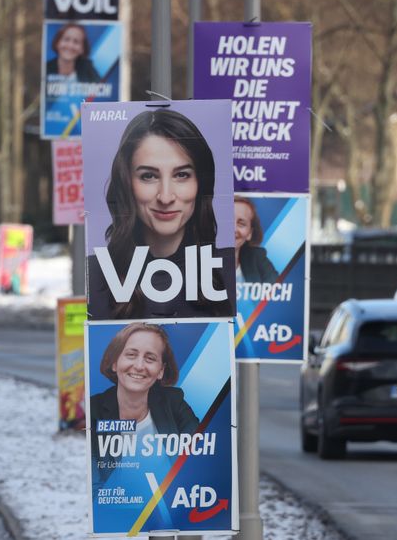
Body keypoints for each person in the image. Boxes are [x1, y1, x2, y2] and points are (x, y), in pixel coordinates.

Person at [89, 108, 234, 319]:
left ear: (200, 184)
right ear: (126, 182)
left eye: (182, 175)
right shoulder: (96, 275)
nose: (165, 197)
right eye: (148, 176)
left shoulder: (230, 269)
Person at [89, 322, 199, 456]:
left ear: (161, 370)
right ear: (114, 363)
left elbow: (197, 455)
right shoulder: (93, 411)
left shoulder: (174, 402)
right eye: (131, 354)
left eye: (150, 358)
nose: (139, 366)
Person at [234, 197, 278, 284]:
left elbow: (277, 289)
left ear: (249, 233)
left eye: (241, 223)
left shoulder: (257, 258)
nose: (233, 229)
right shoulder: (202, 259)